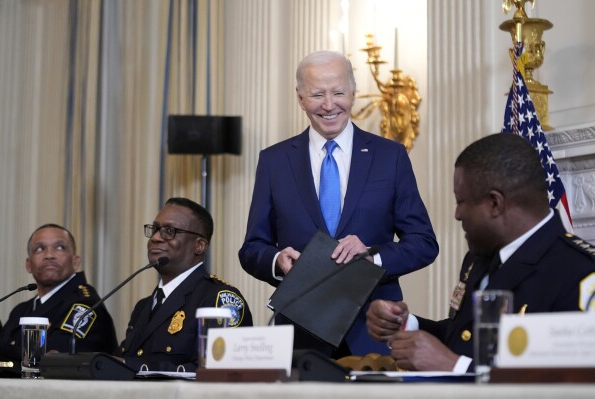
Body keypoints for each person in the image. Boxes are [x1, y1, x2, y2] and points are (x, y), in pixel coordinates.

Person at [239, 50, 438, 356]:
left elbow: (424, 243)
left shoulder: (390, 157)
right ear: (300, 98)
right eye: (317, 94)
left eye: (338, 93)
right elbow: (252, 247)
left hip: (374, 330)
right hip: (300, 332)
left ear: (354, 92)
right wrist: (277, 261)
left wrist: (373, 258)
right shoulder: (274, 161)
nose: (329, 105)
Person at [366, 133, 595, 372]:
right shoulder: (480, 259)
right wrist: (405, 325)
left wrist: (455, 367)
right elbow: (465, 339)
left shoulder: (578, 274)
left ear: (495, 203)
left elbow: (568, 384)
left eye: (461, 201)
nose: (457, 214)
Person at [116, 197, 253, 371]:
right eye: (155, 229)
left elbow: (218, 372)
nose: (156, 238)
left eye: (169, 230)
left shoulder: (219, 300)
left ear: (199, 246)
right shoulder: (143, 307)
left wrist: (130, 366)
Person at [0, 224, 118, 361]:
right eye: (40, 249)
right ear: (28, 264)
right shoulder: (20, 310)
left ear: (76, 262)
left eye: (60, 248)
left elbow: (54, 357)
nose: (49, 255)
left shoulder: (84, 304)